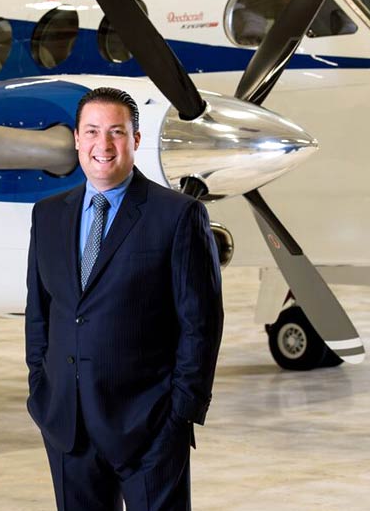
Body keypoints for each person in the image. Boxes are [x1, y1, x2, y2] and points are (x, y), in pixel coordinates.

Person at [25, 86, 224, 511]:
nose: (103, 144)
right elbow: (40, 313)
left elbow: (201, 324)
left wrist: (180, 413)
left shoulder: (178, 215)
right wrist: (41, 389)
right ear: (76, 138)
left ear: (135, 139)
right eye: (92, 131)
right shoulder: (47, 215)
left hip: (149, 425)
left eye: (116, 132)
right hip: (67, 425)